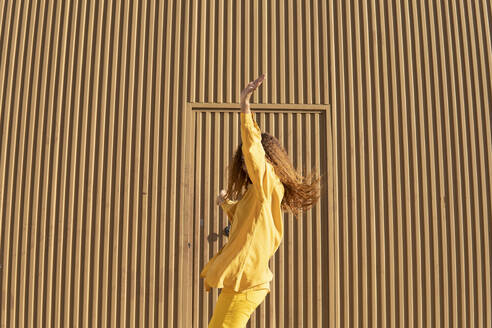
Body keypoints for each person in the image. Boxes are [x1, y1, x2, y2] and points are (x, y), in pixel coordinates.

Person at [200, 73, 321, 327]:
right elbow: (245, 221)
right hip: (239, 281)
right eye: (243, 164)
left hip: (246, 282)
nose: (245, 167)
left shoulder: (268, 183)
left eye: (248, 162)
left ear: (267, 159)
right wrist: (225, 203)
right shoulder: (258, 194)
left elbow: (253, 149)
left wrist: (245, 106)